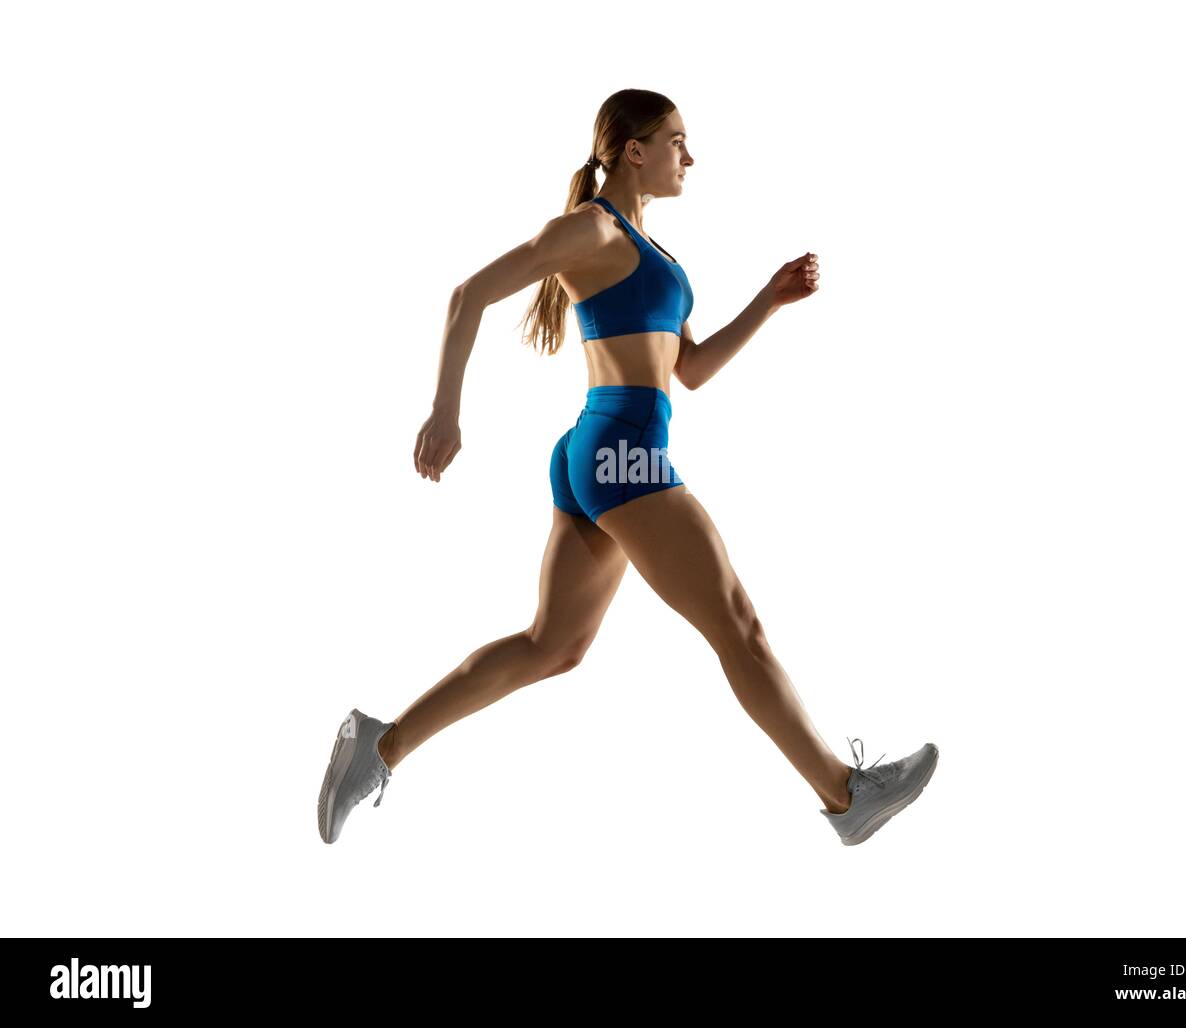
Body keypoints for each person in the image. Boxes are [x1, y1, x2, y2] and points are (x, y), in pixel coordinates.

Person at [318, 89, 938, 846]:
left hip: (598, 450)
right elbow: (467, 296)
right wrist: (446, 411)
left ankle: (378, 747)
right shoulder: (593, 229)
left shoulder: (649, 247)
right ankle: (847, 796)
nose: (689, 155)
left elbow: (694, 369)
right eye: (677, 140)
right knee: (739, 627)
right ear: (634, 150)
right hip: (624, 453)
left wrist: (770, 300)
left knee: (553, 645)